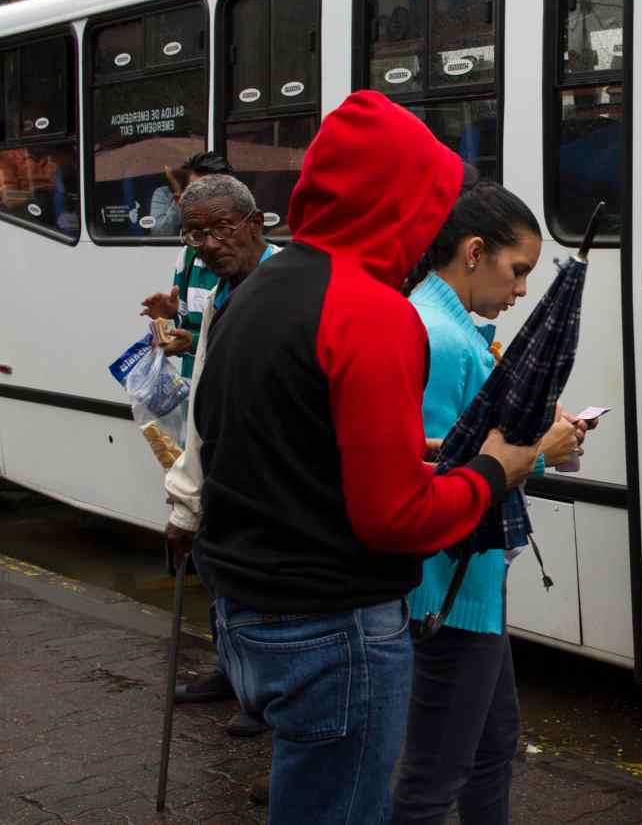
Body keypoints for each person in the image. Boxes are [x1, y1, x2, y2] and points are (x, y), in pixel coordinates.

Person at [186, 90, 540, 825]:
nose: (433, 226)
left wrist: (425, 450)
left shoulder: (258, 291)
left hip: (244, 614)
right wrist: (491, 471)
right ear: (400, 200)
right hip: (332, 628)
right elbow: (395, 519)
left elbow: (278, 444)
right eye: (430, 203)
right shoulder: (373, 312)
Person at [392, 181, 588, 824]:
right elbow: (441, 473)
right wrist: (539, 449)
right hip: (447, 589)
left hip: (463, 584)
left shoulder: (439, 321)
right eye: (519, 270)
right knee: (436, 777)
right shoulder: (441, 337)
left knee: (490, 747)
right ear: (474, 252)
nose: (522, 291)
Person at [161, 174, 281, 741]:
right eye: (194, 233)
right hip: (228, 479)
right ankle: (239, 680)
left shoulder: (286, 283)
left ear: (255, 225)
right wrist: (186, 505)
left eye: (220, 230)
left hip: (276, 484)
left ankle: (266, 701)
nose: (207, 244)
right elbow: (204, 401)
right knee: (222, 580)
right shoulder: (222, 289)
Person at [139, 152, 236, 381]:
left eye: (210, 195)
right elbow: (185, 327)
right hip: (195, 393)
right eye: (193, 195)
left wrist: (193, 343)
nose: (199, 205)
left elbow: (249, 341)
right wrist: (170, 317)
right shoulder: (189, 255)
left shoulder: (259, 261)